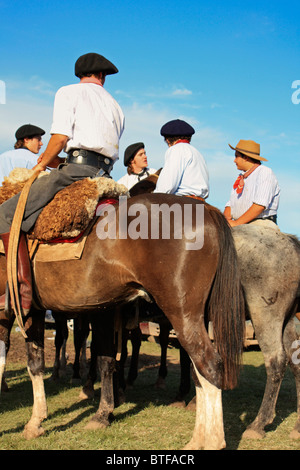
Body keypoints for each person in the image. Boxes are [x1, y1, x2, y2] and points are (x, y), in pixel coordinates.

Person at [0, 52, 125, 314]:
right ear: (102, 76)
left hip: (76, 172)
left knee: (4, 214)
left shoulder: (68, 92)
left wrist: (40, 164)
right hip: (105, 174)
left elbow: (60, 138)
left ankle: (19, 291)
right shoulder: (116, 105)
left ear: (80, 74)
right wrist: (55, 158)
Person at [224, 140, 280, 227]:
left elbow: (260, 205)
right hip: (241, 224)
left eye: (236, 156)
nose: (234, 161)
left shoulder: (264, 172)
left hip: (261, 223)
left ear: (246, 157)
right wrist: (226, 221)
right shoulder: (241, 177)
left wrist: (236, 223)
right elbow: (231, 204)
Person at [153, 119, 209, 199]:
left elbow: (167, 185)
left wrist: (155, 197)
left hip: (184, 202)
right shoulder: (197, 153)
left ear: (168, 140)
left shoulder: (176, 149)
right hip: (200, 202)